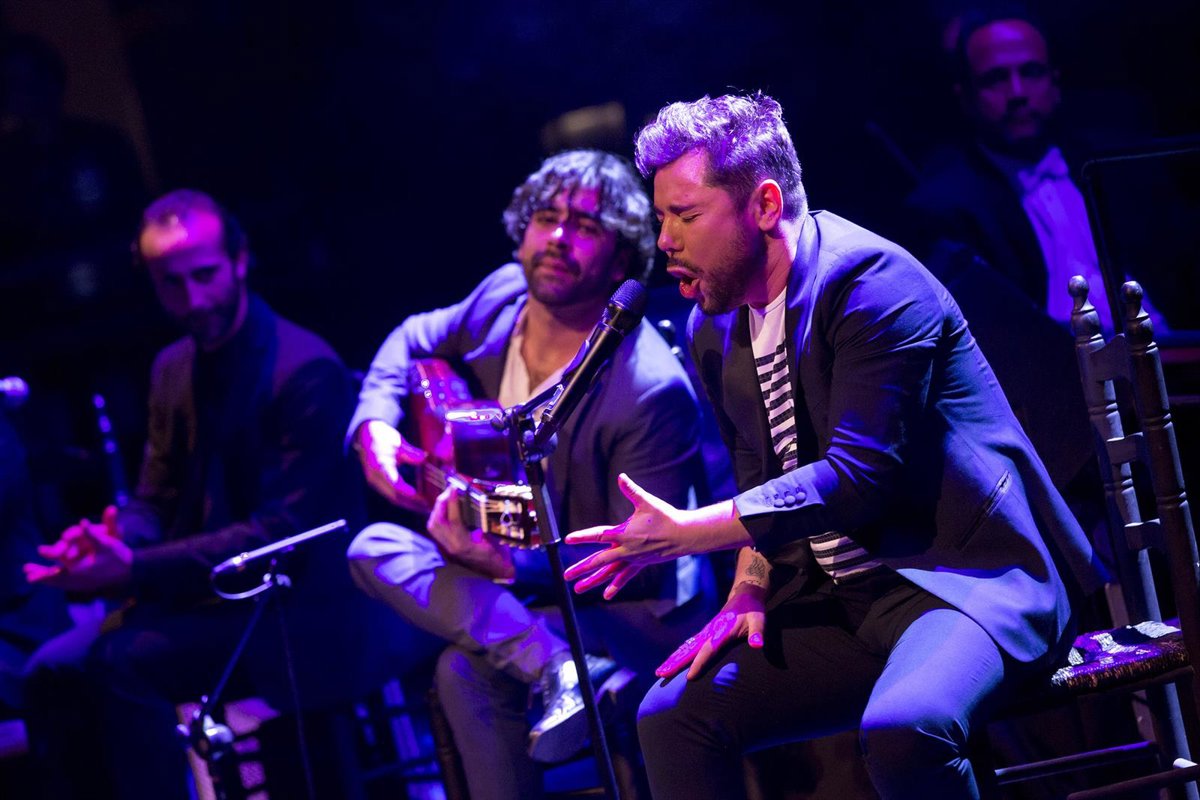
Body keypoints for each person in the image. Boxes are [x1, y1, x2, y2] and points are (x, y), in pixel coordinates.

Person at [562, 93, 1107, 800]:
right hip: (842, 598)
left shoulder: (871, 284)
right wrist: (748, 588)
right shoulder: (713, 327)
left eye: (685, 216)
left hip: (963, 584)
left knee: (907, 729)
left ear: (763, 205)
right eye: (661, 216)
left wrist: (690, 531)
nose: (664, 240)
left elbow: (859, 476)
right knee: (672, 717)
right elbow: (760, 472)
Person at [345, 149, 712, 800]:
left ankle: (561, 667)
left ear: (621, 260)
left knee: (465, 670)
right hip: (529, 596)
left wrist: (507, 567)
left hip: (630, 610)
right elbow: (410, 336)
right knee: (372, 547)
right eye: (546, 218)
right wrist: (374, 424)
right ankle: (559, 667)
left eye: (587, 226)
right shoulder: (500, 298)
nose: (559, 238)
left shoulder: (649, 389)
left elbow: (640, 560)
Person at [20, 189, 396, 800]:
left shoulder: (304, 369)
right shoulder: (172, 367)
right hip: (213, 601)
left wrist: (133, 567)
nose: (193, 299)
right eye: (171, 284)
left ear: (241, 261)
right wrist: (115, 541)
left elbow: (281, 535)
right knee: (49, 672)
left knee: (118, 665)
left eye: (205, 276)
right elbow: (156, 494)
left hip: (298, 612)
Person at [903, 6, 1164, 335]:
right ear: (965, 97)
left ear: (1055, 82)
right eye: (995, 79)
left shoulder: (1116, 167)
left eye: (1031, 72)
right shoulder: (947, 207)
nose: (1017, 93)